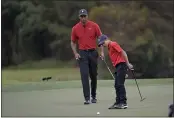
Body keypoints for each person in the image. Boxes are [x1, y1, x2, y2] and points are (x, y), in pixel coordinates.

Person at [70, 9, 104, 104]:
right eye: (81, 16)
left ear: (87, 16)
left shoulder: (94, 26)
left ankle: (93, 96)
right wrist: (75, 53)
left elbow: (100, 39)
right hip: (82, 54)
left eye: (85, 16)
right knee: (84, 75)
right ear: (79, 17)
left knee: (93, 75)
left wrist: (102, 52)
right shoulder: (75, 28)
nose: (83, 18)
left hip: (93, 52)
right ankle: (87, 98)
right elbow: (73, 42)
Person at [98, 34, 133, 109]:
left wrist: (127, 64)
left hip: (122, 65)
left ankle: (123, 103)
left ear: (106, 39)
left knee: (120, 84)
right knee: (116, 85)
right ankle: (118, 102)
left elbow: (123, 52)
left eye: (103, 43)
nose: (103, 45)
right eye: (101, 44)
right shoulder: (109, 47)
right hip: (118, 67)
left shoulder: (113, 44)